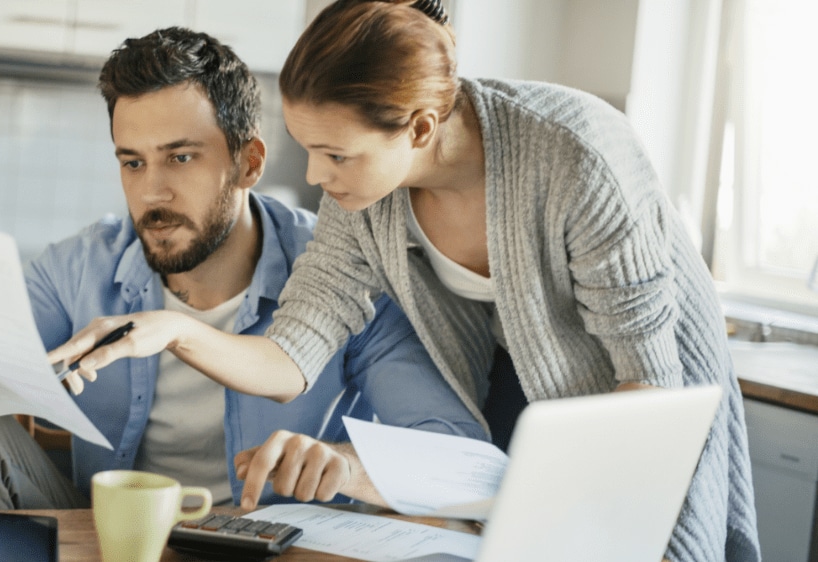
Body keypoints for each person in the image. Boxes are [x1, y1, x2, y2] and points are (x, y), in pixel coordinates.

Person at [48, 2, 760, 560]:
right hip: (516, 390)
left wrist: (606, 516)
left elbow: (646, 389)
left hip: (640, 392)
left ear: (419, 129)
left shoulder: (575, 159)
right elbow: (293, 353)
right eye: (308, 150)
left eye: (335, 155)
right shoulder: (363, 200)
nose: (317, 179)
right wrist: (176, 331)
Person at [0, 26, 484, 511]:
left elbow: (456, 452)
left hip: (272, 547)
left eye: (180, 157)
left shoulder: (344, 274)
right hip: (111, 539)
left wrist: (346, 465)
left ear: (248, 163)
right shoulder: (80, 265)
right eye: (133, 163)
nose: (153, 192)